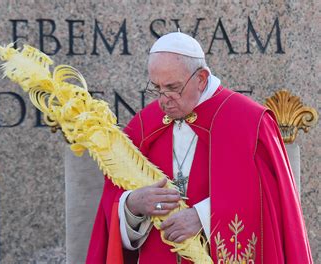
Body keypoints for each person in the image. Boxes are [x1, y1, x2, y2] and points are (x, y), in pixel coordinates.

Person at [86, 32, 312, 263]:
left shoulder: (250, 122)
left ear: (201, 78)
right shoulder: (144, 125)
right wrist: (133, 205)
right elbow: (112, 201)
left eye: (173, 87)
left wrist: (205, 217)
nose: (164, 99)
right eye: (156, 87)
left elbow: (269, 199)